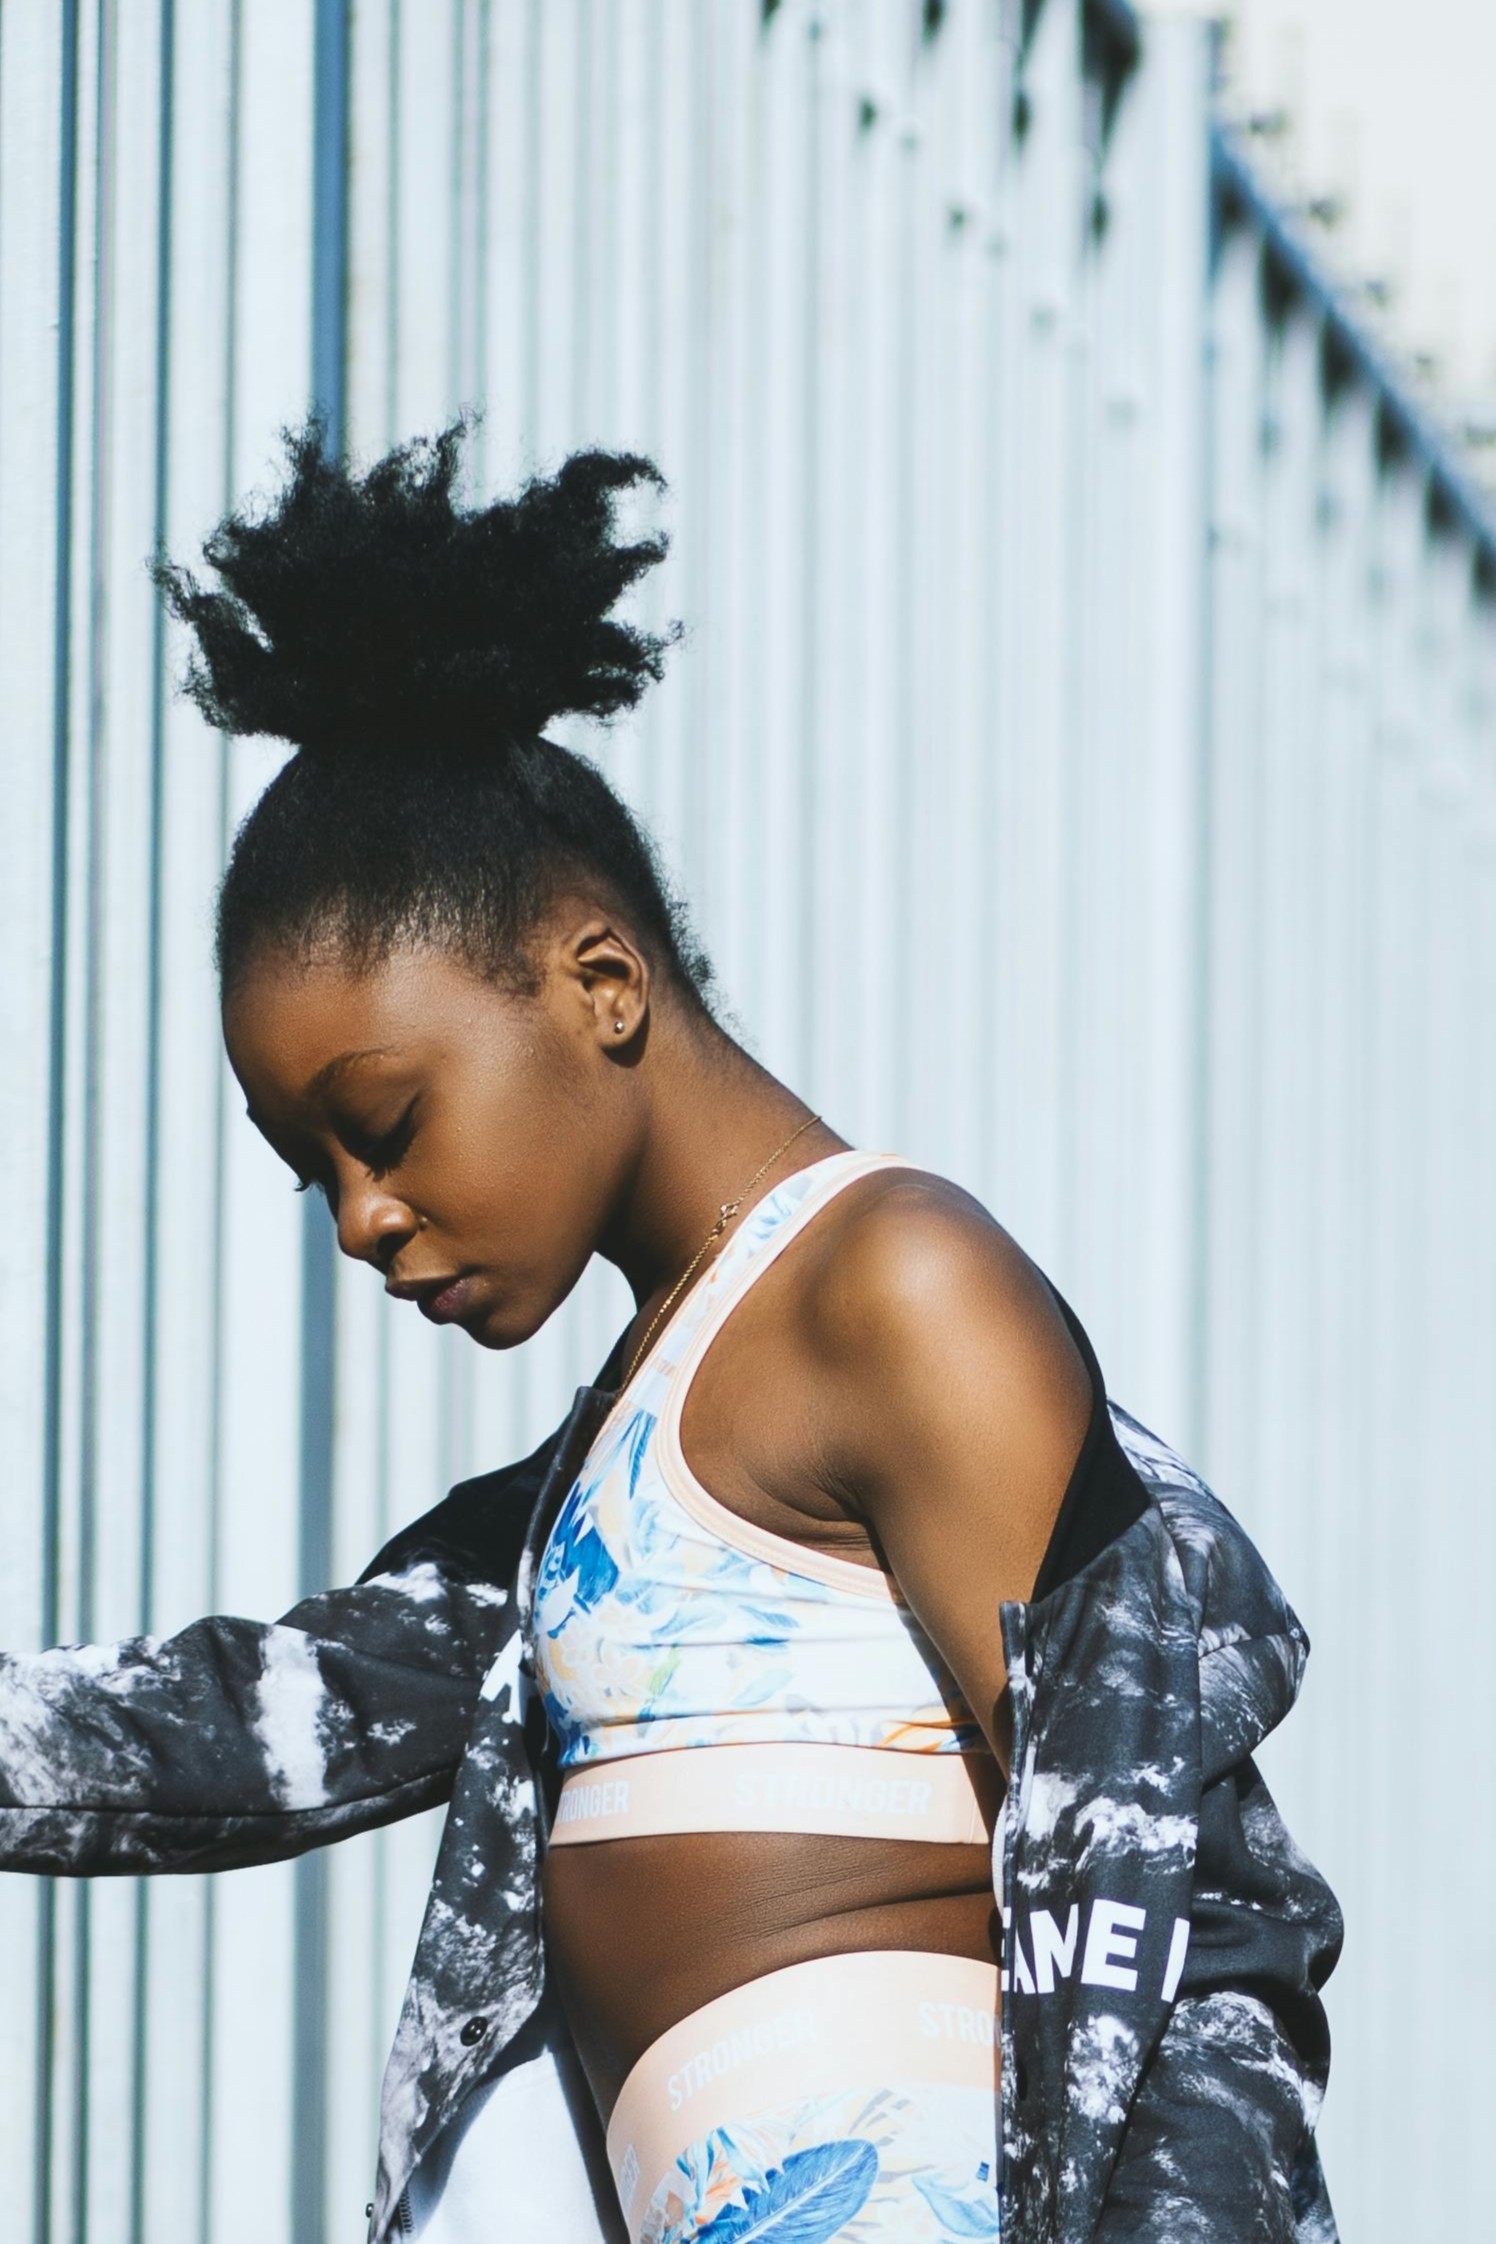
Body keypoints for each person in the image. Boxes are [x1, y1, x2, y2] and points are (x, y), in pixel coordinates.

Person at [0, 413, 1342, 2243]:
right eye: (306, 1169)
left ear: (601, 985)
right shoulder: (590, 1495)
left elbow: (1180, 1893)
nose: (361, 1218)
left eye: (383, 1128)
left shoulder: (893, 1291)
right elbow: (252, 1728)